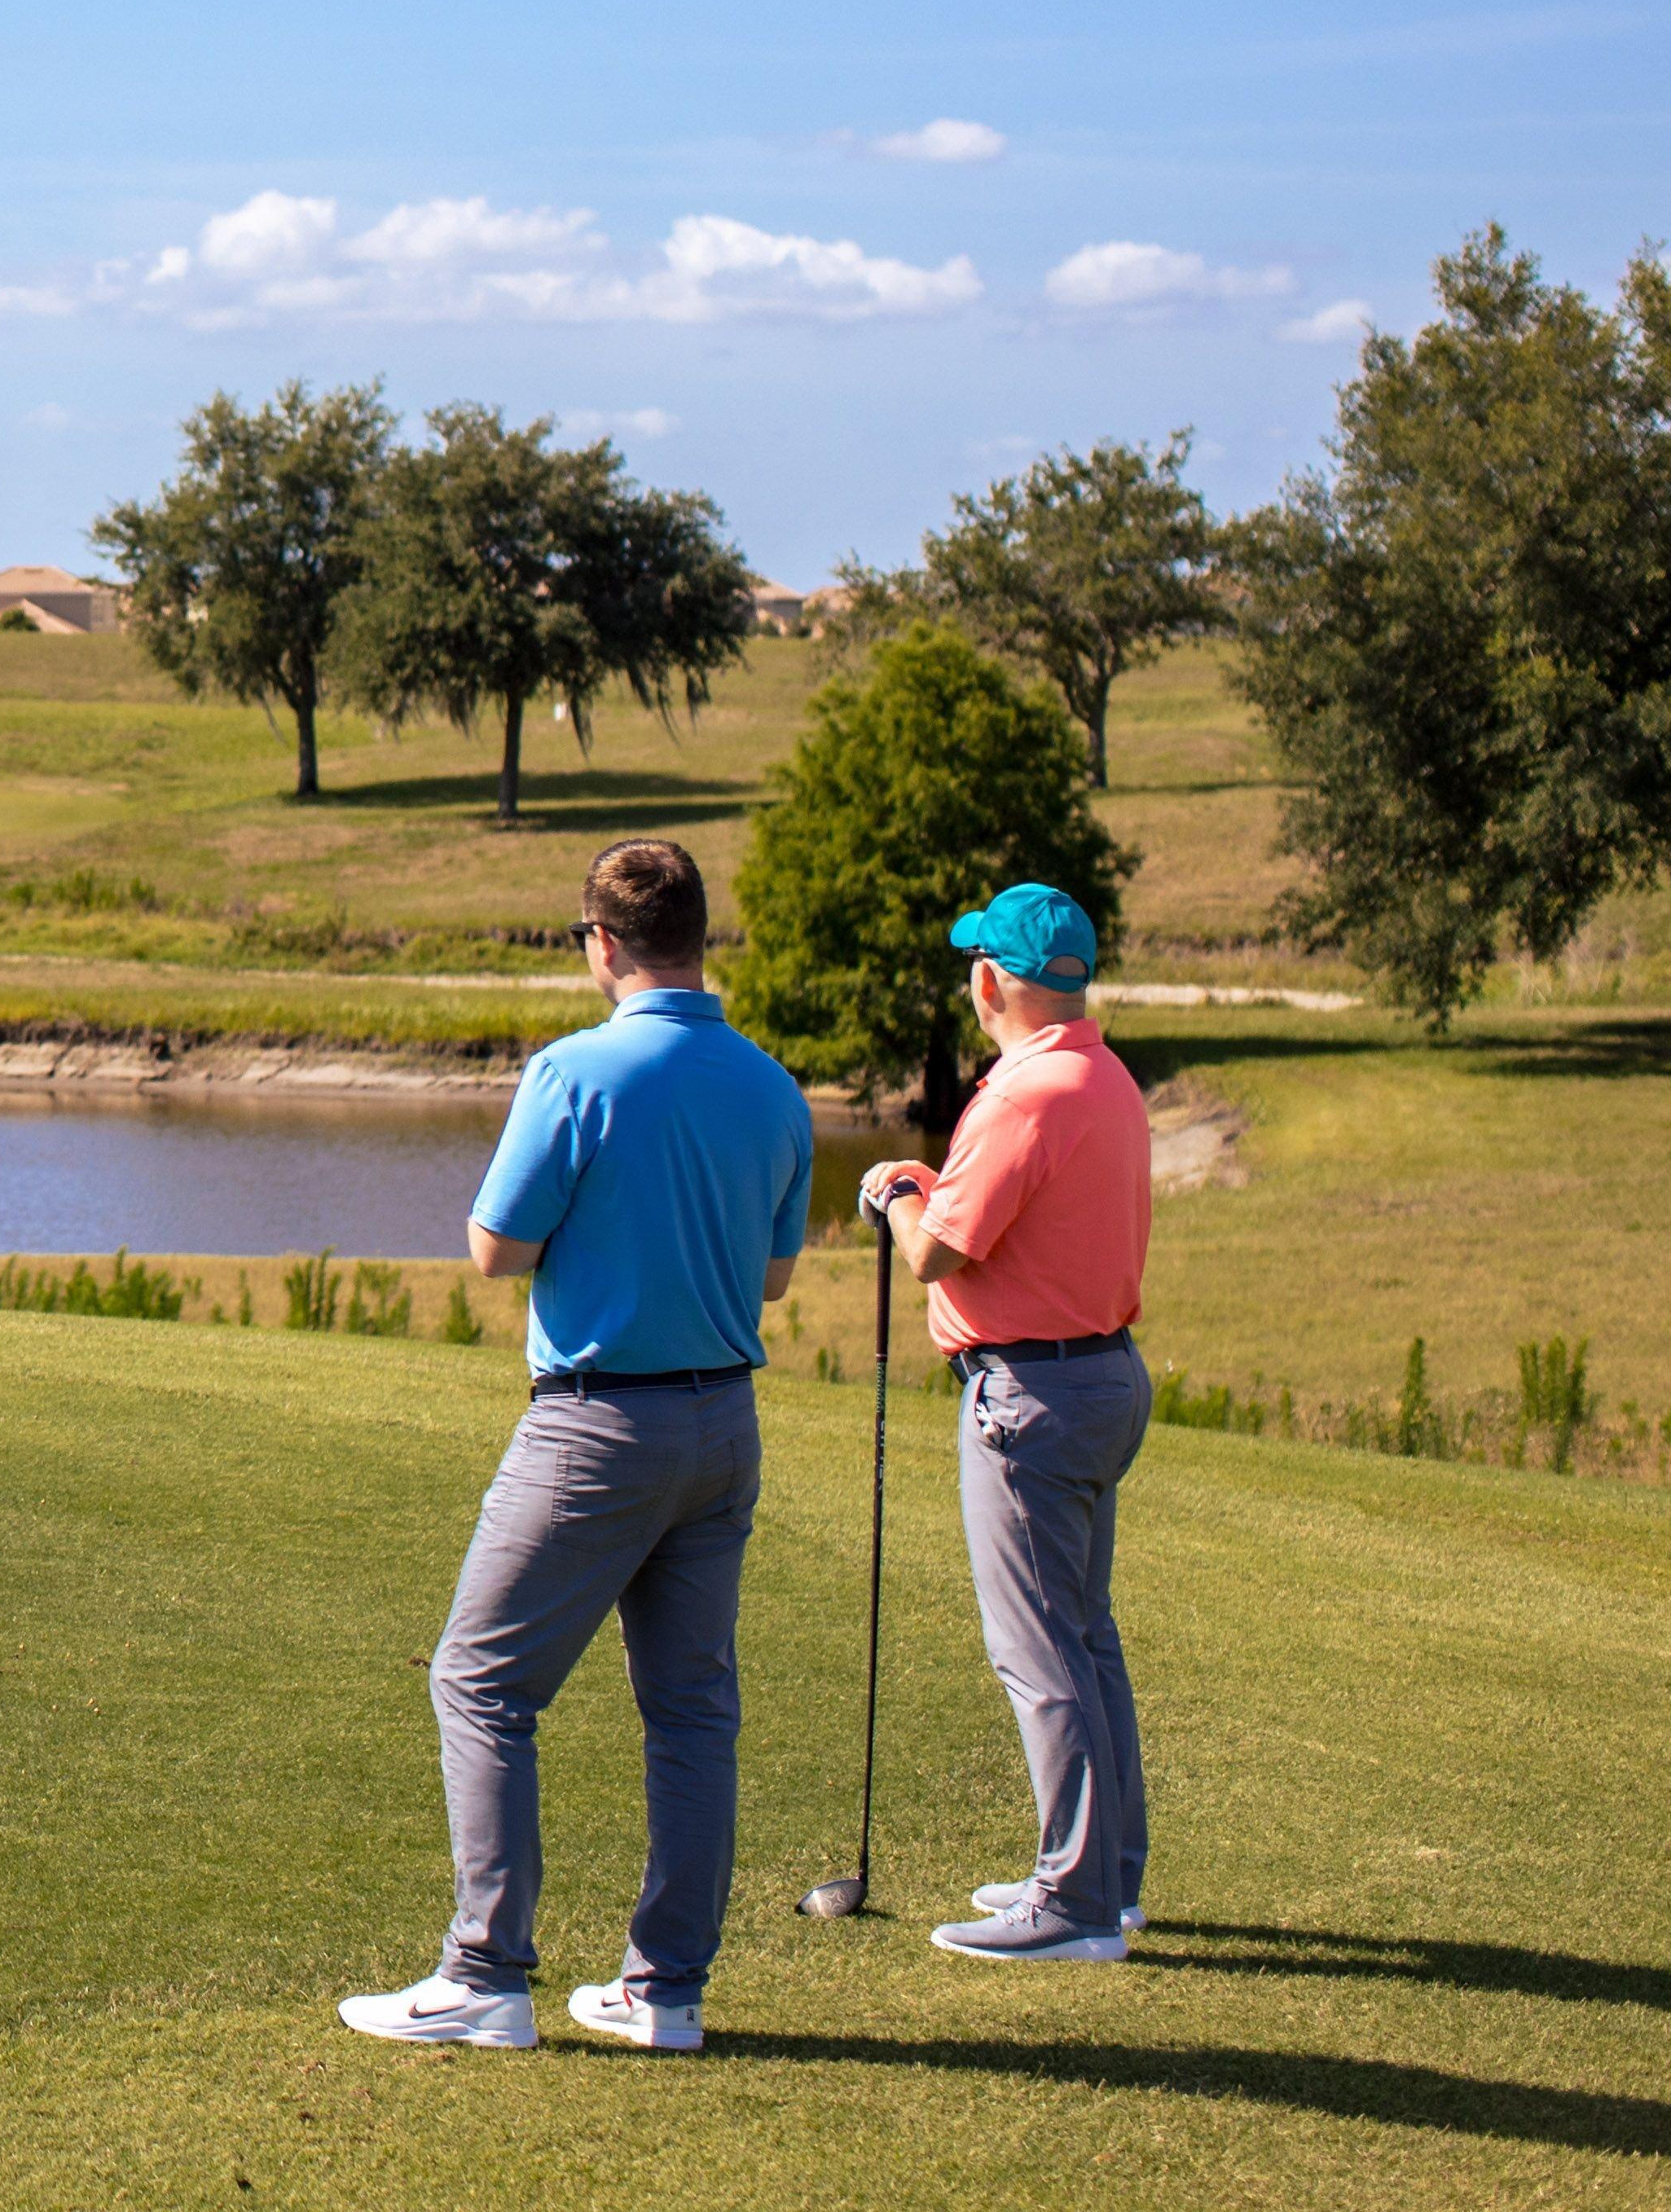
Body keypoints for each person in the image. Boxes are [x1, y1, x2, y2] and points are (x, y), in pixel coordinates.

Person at [341, 836, 815, 2056]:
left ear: (599, 944)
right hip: (722, 1424)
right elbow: (767, 1278)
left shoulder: (571, 1072)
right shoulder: (770, 1086)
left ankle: (486, 1974)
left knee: (479, 1679)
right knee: (691, 1709)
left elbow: (494, 1248)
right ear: (698, 937)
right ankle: (665, 1992)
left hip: (598, 1423)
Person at [855, 881, 1152, 1964]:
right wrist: (932, 1185)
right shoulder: (1099, 1075)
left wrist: (891, 1195)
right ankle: (1106, 1877)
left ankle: (1070, 1902)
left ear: (987, 981)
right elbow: (1013, 1217)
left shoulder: (1021, 1094)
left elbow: (936, 1252)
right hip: (1098, 1378)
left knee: (1038, 1653)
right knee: (1083, 1639)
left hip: (1030, 1395)